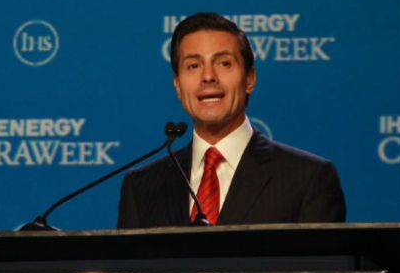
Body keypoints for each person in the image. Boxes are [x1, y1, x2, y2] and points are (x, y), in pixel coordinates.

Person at [117, 12, 346, 228]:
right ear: (177, 85)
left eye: (224, 63)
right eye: (193, 66)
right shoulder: (141, 186)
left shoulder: (308, 178)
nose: (208, 77)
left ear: (250, 79)